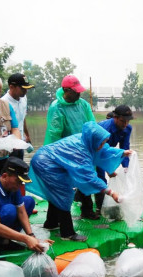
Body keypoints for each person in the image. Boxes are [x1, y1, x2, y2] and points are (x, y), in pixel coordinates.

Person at [27, 121, 132, 242]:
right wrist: (111, 192)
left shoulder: (87, 141)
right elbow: (90, 178)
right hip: (45, 164)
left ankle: (51, 223)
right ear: (94, 140)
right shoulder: (81, 151)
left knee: (55, 193)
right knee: (64, 194)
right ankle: (67, 233)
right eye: (101, 143)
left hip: (46, 159)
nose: (102, 145)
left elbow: (103, 151)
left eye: (103, 142)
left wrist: (122, 153)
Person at [43, 75, 96, 222]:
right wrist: (58, 155)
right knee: (60, 184)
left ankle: (87, 210)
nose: (79, 94)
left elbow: (91, 124)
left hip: (82, 148)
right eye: (75, 91)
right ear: (66, 90)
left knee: (85, 177)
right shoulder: (57, 107)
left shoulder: (83, 104)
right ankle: (53, 220)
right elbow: (54, 133)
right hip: (63, 150)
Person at [0, 157, 52, 253]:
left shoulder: (13, 186)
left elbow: (22, 212)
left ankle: (7, 239)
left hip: (2, 220)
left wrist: (31, 236)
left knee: (29, 201)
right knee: (10, 210)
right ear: (5, 176)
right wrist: (26, 239)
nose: (21, 185)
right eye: (18, 181)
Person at [91, 105, 133, 216]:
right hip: (95, 151)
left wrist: (125, 167)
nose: (125, 124)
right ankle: (99, 208)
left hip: (106, 151)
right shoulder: (104, 129)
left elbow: (124, 148)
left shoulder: (127, 129)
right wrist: (108, 169)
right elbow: (100, 152)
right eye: (122, 121)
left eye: (127, 121)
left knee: (116, 174)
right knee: (99, 176)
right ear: (115, 117)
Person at [1, 73, 34, 160]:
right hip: (9, 146)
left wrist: (27, 135)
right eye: (23, 89)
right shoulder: (3, 103)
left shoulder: (24, 98)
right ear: (12, 87)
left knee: (19, 170)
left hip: (20, 142)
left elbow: (22, 118)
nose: (25, 91)